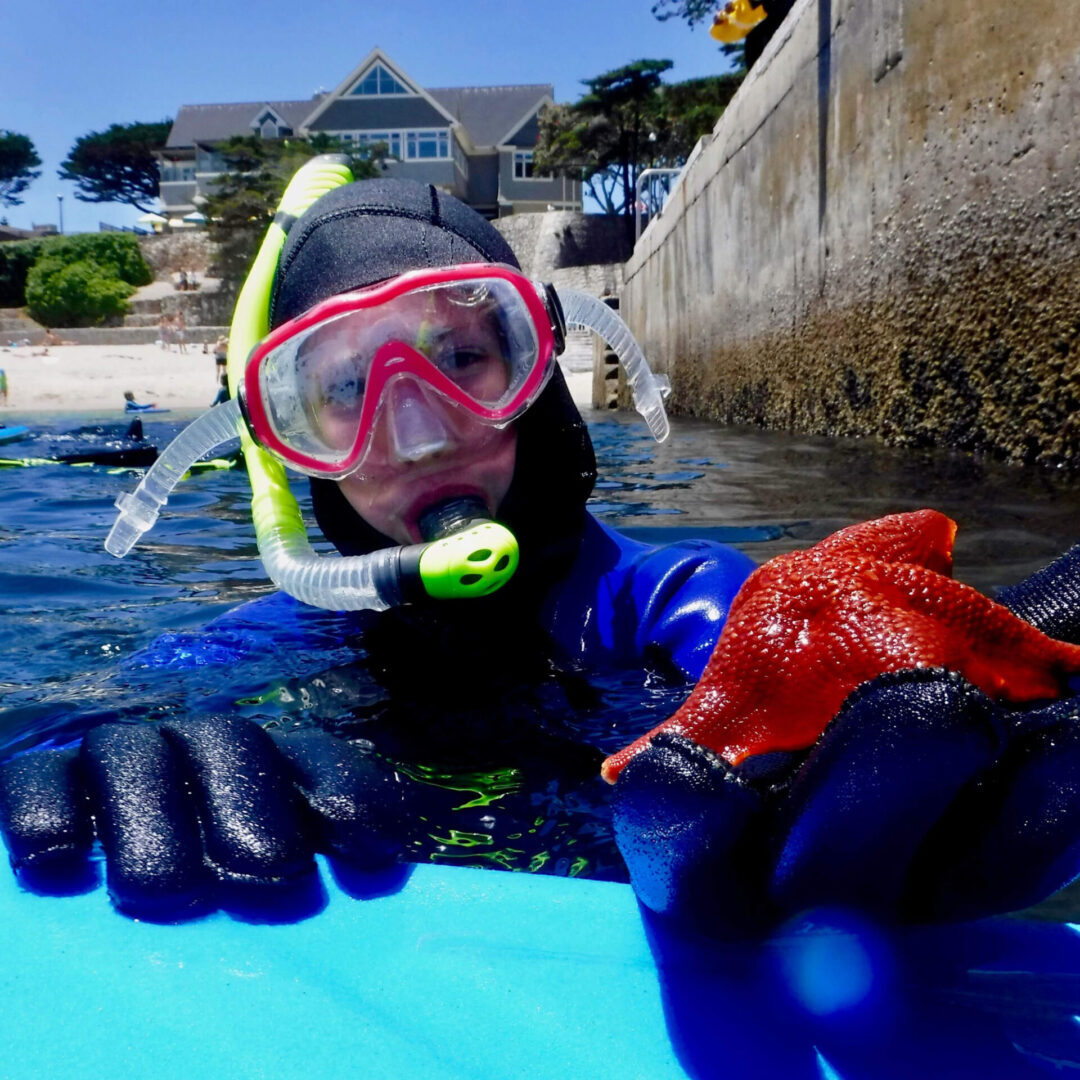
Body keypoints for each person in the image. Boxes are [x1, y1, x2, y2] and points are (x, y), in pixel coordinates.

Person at [2, 168, 1079, 931]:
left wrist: (821, 747)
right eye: (342, 391)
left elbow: (768, 654)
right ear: (288, 444)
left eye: (465, 356)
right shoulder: (273, 637)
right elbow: (78, 718)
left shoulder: (674, 602)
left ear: (543, 367)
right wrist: (80, 757)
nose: (417, 432)